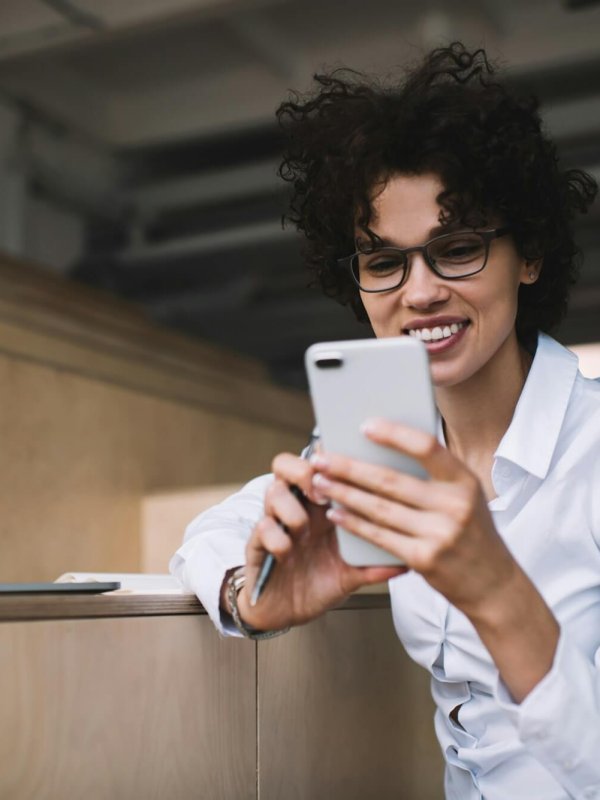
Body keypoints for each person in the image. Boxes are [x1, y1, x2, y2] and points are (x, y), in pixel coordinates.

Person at [170, 43, 600, 799]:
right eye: (384, 263)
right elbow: (213, 532)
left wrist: (500, 595)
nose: (420, 292)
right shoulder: (377, 445)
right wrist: (252, 596)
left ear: (529, 254)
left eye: (457, 249)